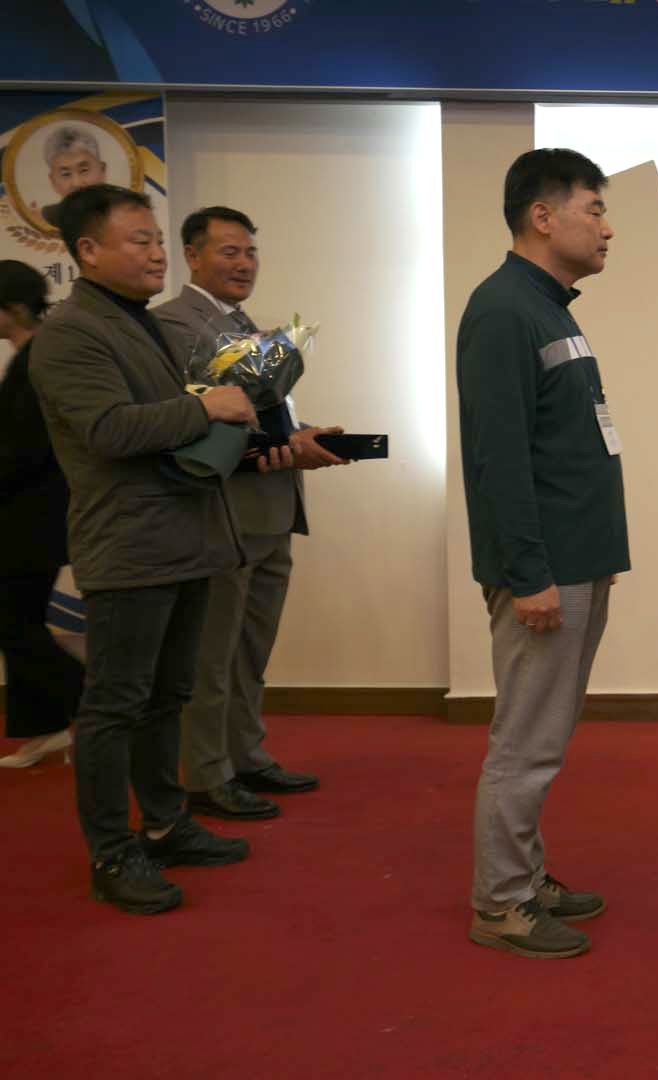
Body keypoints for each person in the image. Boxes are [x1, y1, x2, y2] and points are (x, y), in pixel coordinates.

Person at [29, 184, 272, 915]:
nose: (158, 253)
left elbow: (178, 427)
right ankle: (112, 852)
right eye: (139, 240)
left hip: (187, 538)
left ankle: (166, 824)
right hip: (129, 544)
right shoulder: (70, 333)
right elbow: (109, 430)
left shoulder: (141, 322)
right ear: (87, 251)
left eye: (158, 239)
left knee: (169, 696)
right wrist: (205, 405)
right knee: (115, 706)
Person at [456, 148, 627, 959]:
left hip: (577, 560)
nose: (607, 227)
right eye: (594, 208)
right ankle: (501, 903)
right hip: (546, 571)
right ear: (542, 216)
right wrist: (530, 575)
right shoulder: (503, 311)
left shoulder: (549, 307)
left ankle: (523, 876)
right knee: (525, 744)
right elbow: (499, 459)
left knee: (544, 739)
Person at [154, 206, 345, 820]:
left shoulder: (246, 326)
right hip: (222, 512)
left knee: (249, 652)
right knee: (212, 654)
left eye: (250, 252)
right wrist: (280, 445)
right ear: (192, 255)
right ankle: (205, 774)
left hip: (270, 507)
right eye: (229, 251)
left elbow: (256, 411)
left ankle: (245, 755)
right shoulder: (175, 323)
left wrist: (300, 436)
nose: (244, 264)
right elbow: (196, 420)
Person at [0, 260, 82, 769]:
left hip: (31, 519)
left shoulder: (37, 360)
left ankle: (91, 696)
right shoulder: (27, 357)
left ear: (12, 308)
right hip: (25, 516)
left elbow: (24, 450)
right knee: (19, 620)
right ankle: (45, 729)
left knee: (13, 622)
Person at [38, 126, 108, 230]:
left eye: (84, 170)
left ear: (102, 170)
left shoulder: (124, 211)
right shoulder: (46, 218)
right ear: (53, 181)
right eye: (66, 174)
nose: (77, 183)